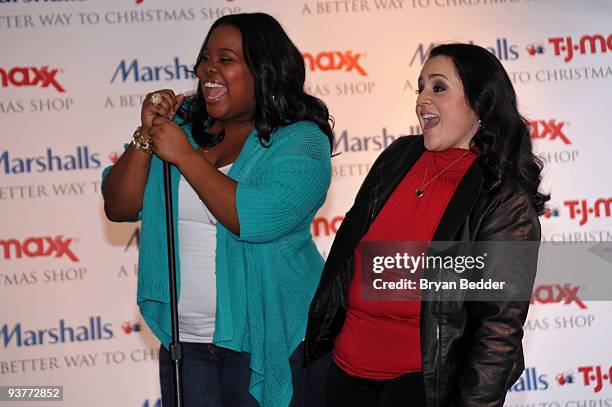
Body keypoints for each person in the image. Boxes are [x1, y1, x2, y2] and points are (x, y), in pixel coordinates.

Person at [102, 13, 333, 407]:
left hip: (267, 339)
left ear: (264, 70)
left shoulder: (302, 142)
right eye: (205, 57)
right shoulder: (185, 130)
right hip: (187, 345)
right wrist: (148, 132)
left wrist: (185, 156)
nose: (208, 68)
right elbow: (119, 205)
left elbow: (253, 218)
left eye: (225, 58)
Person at [304, 43, 548, 407]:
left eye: (438, 87)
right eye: (419, 87)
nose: (421, 100)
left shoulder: (502, 198)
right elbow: (348, 264)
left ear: (480, 102)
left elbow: (497, 329)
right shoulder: (398, 157)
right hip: (342, 377)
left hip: (422, 389)